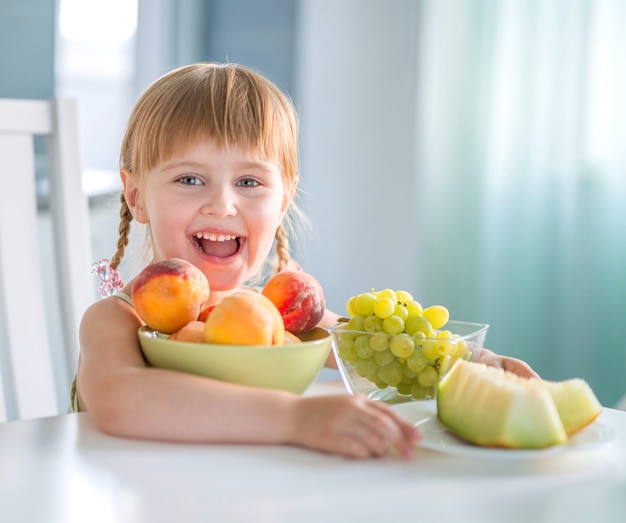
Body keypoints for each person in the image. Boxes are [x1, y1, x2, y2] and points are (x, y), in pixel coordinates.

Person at [74, 62, 537, 460]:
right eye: (191, 179)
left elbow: (367, 344)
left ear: (283, 199)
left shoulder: (281, 317)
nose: (221, 205)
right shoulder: (119, 318)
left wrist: (474, 361)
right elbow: (118, 398)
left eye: (250, 182)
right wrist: (295, 417)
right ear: (136, 195)